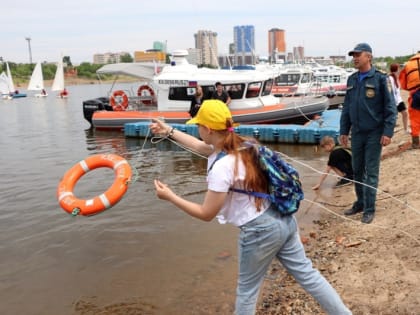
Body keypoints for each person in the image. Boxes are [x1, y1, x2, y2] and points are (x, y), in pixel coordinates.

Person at [150, 99, 352, 315]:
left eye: (198, 126)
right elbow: (200, 146)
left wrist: (171, 196)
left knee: (246, 292)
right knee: (308, 275)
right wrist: (168, 131)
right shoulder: (244, 145)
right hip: (283, 217)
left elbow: (206, 214)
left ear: (208, 129)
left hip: (260, 230)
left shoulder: (222, 167)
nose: (197, 129)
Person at [340, 43, 397, 224]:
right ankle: (360, 202)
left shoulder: (381, 79)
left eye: (359, 55)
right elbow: (347, 108)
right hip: (357, 132)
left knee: (370, 172)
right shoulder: (352, 79)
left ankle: (370, 209)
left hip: (374, 132)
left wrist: (388, 132)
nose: (355, 58)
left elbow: (390, 108)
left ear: (369, 57)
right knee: (357, 170)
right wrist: (343, 130)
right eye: (353, 55)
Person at [399, 50, 420, 149]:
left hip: (416, 93)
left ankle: (416, 143)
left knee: (415, 119)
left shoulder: (408, 64)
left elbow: (403, 84)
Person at [389, 63, 409, 133]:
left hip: (399, 100)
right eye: (399, 68)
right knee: (392, 118)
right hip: (392, 101)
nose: (400, 70)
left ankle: (405, 129)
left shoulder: (398, 78)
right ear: (395, 70)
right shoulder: (390, 78)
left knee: (405, 113)